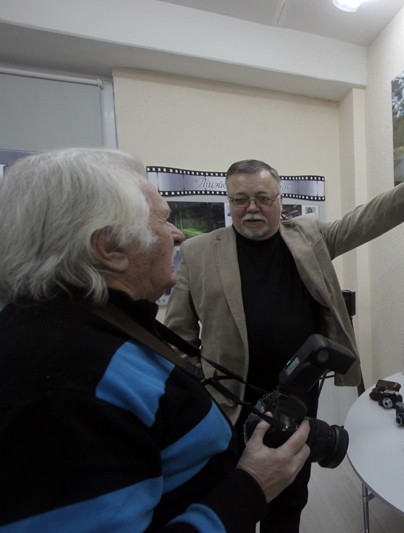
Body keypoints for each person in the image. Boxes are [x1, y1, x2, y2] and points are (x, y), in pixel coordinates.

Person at [0, 148, 310, 532]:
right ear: (110, 247)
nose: (177, 235)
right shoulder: (63, 387)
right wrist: (251, 486)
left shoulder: (88, 325)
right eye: (163, 220)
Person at [164, 153, 404, 530]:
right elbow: (176, 335)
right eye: (240, 200)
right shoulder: (197, 253)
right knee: (235, 498)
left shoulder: (308, 235)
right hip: (229, 403)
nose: (251, 209)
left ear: (280, 200)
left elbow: (362, 222)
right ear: (229, 203)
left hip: (298, 394)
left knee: (290, 495)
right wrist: (198, 387)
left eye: (263, 197)